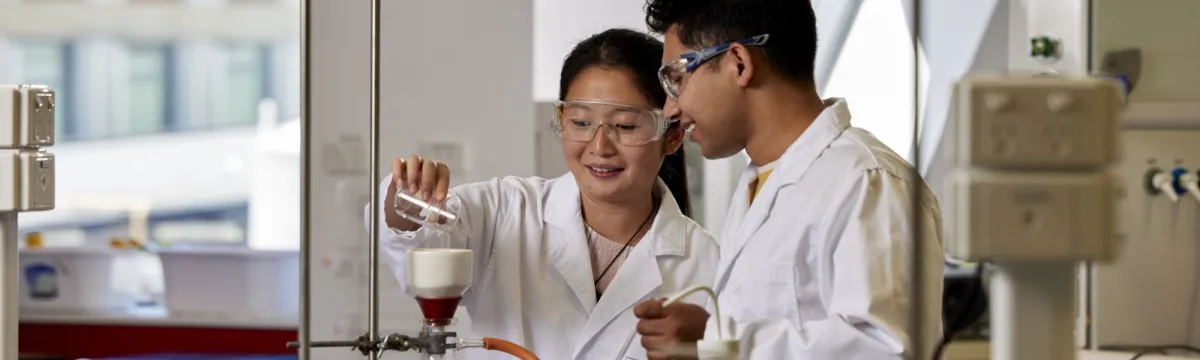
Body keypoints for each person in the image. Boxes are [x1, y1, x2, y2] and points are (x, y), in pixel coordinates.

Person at [365, 28, 720, 360]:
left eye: (625, 125)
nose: (599, 146)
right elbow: (419, 244)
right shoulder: (505, 211)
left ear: (673, 136)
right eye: (580, 122)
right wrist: (408, 195)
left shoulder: (705, 263)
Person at [631, 0, 945, 359]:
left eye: (678, 78)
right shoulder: (759, 183)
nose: (671, 108)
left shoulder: (868, 182)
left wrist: (717, 340)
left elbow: (888, 349)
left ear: (739, 63)